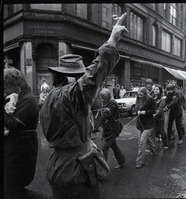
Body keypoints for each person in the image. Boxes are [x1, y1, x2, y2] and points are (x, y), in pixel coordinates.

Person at [40, 13, 128, 198]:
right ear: (72, 79)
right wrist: (112, 40)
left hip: (58, 168)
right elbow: (93, 75)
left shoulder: (48, 97)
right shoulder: (70, 94)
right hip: (76, 171)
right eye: (80, 75)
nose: (83, 78)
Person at [4, 68, 49, 199]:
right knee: (9, 188)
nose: (6, 90)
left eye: (7, 86)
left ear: (16, 83)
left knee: (12, 189)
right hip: (14, 147)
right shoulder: (17, 96)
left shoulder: (29, 100)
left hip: (22, 149)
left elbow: (13, 124)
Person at [98, 88, 125, 169]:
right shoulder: (106, 103)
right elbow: (102, 113)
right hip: (108, 129)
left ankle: (103, 170)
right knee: (114, 146)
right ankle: (121, 162)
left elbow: (106, 114)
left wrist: (95, 126)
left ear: (108, 97)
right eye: (101, 98)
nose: (102, 100)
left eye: (104, 98)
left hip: (113, 129)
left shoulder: (112, 103)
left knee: (104, 148)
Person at [135, 87, 158, 169]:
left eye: (141, 94)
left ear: (145, 94)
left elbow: (154, 110)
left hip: (149, 124)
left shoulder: (150, 99)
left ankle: (139, 162)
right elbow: (136, 107)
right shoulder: (138, 98)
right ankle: (154, 149)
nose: (140, 96)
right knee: (146, 139)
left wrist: (145, 112)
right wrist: (137, 111)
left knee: (142, 142)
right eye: (139, 94)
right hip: (141, 123)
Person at [153, 84, 168, 149]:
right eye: (155, 89)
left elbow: (160, 110)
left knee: (162, 131)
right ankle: (157, 141)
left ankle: (165, 144)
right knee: (155, 130)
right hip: (154, 117)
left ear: (160, 90)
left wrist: (153, 116)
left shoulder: (162, 99)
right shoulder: (153, 98)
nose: (155, 91)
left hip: (160, 118)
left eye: (157, 89)